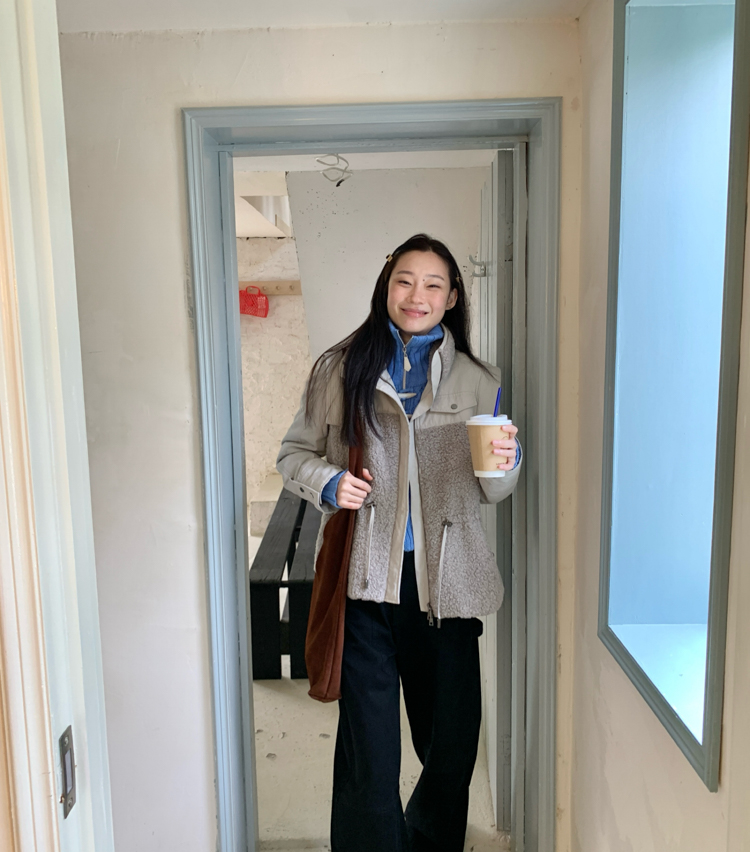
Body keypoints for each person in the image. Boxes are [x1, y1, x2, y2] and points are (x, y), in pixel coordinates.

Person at [277, 233, 522, 852]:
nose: (417, 295)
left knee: (451, 745)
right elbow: (293, 454)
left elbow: (494, 491)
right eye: (405, 281)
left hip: (449, 586)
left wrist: (507, 463)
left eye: (433, 284)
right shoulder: (339, 370)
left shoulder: (478, 380)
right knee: (371, 748)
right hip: (367, 585)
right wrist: (329, 481)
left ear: (452, 297)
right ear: (386, 287)